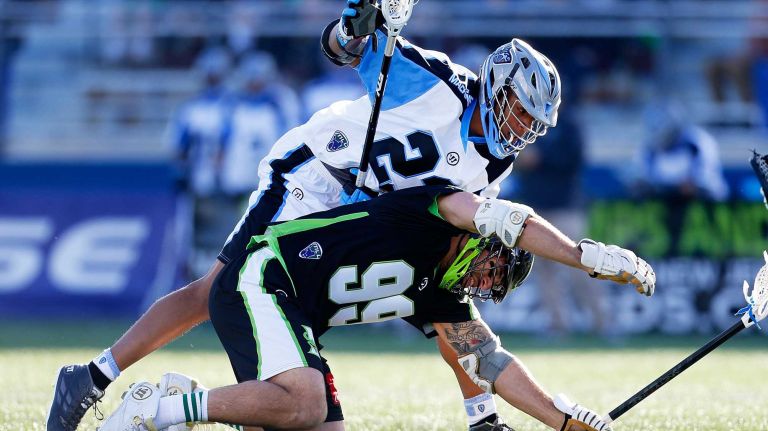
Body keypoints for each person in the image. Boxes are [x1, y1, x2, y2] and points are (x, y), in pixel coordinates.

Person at [46, 0, 563, 429]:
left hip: (363, 215)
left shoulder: (496, 163)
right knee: (218, 291)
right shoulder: (437, 84)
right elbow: (344, 48)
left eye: (530, 121)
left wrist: (482, 413)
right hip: (315, 176)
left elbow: (448, 303)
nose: (519, 126)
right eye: (518, 107)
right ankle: (97, 376)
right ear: (496, 85)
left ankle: (199, 396)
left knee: (434, 297)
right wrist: (353, 25)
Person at [97, 185, 655, 431]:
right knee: (306, 403)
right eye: (495, 267)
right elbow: (504, 216)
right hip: (265, 274)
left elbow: (491, 363)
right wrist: (583, 256)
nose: (487, 281)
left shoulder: (443, 294)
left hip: (294, 312)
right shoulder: (432, 213)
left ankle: (176, 398)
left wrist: (562, 420)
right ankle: (156, 411)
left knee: (309, 420)